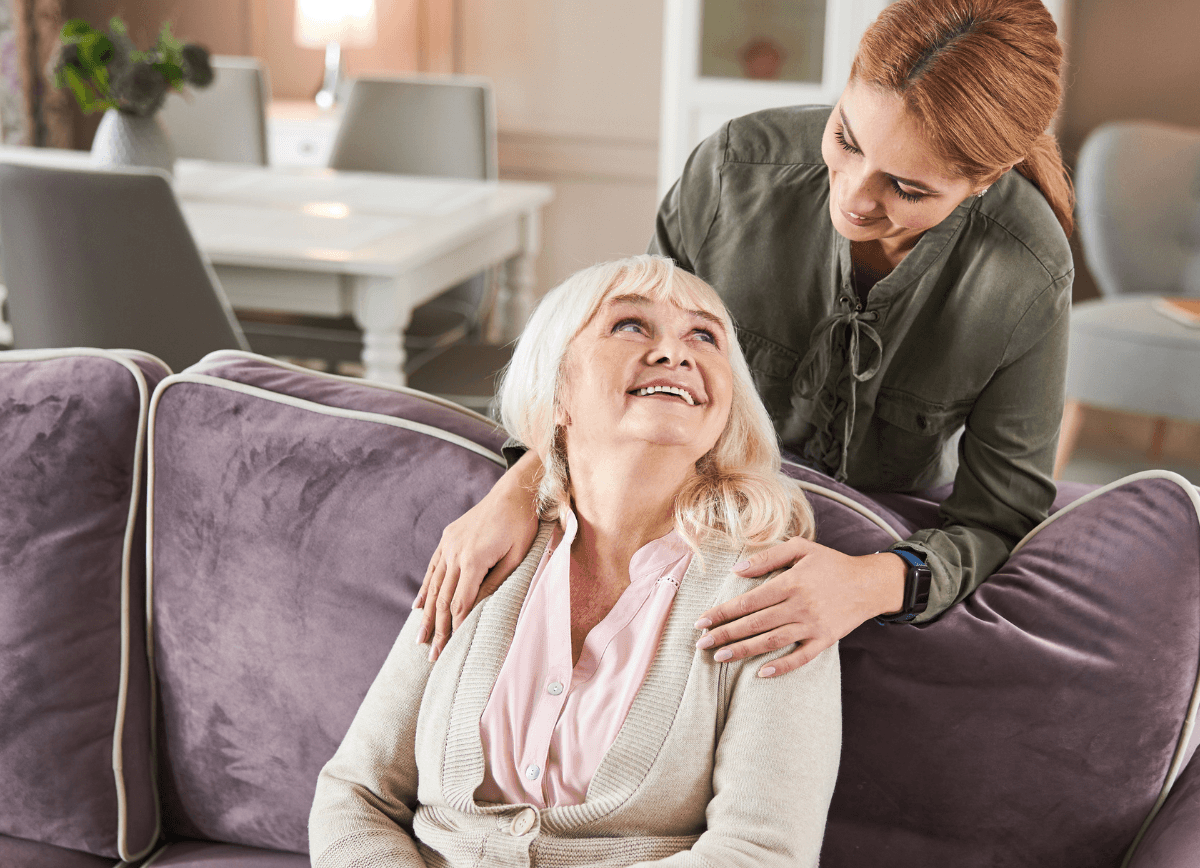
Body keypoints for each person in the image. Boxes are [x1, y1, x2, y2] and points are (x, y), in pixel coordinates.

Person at [220, 256, 841, 868]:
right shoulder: (486, 557)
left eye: (705, 337)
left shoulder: (773, 591)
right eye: (632, 325)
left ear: (725, 403)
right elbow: (355, 792)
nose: (675, 351)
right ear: (558, 392)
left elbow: (758, 867)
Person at [416, 0, 1073, 676]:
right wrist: (520, 487)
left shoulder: (1028, 273)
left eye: (905, 187)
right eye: (847, 140)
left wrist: (871, 583)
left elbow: (999, 517)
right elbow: (617, 376)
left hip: (864, 551)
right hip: (680, 524)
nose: (852, 197)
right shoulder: (732, 173)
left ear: (985, 179)